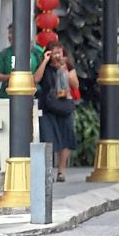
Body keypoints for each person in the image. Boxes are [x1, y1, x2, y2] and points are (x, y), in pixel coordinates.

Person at [35, 41, 80, 182]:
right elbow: (36, 79)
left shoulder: (67, 66)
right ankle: (47, 171)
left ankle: (61, 171)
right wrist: (45, 60)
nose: (57, 56)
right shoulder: (45, 66)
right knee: (47, 138)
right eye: (54, 52)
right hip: (48, 106)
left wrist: (64, 70)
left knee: (65, 137)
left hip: (63, 105)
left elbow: (75, 85)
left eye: (59, 52)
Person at [0, 23, 46, 98]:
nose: (10, 36)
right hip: (7, 96)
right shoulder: (4, 54)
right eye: (9, 33)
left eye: (13, 33)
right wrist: (12, 77)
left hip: (33, 95)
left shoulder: (37, 52)